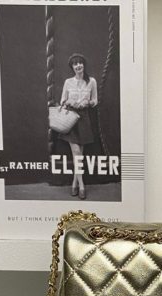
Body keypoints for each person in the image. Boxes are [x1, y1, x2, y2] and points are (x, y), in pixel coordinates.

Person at [59, 53, 98, 199]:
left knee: (79, 155)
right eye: (75, 64)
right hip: (71, 119)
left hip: (84, 119)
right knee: (76, 152)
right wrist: (70, 102)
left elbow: (95, 101)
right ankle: (82, 185)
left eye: (80, 63)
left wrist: (87, 102)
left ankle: (74, 183)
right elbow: (62, 101)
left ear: (83, 65)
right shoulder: (68, 82)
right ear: (72, 67)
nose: (78, 66)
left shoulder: (91, 81)